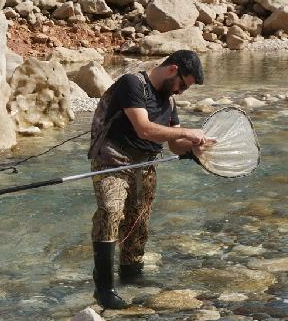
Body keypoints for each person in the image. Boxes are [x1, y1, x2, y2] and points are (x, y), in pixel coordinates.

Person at [87, 50, 214, 309]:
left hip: (145, 165)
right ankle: (103, 287)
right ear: (172, 70)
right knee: (111, 213)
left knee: (138, 222)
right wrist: (189, 131)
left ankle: (131, 274)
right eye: (182, 85)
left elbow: (175, 145)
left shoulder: (169, 102)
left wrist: (194, 147)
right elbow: (143, 128)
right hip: (111, 162)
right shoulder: (132, 83)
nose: (181, 92)